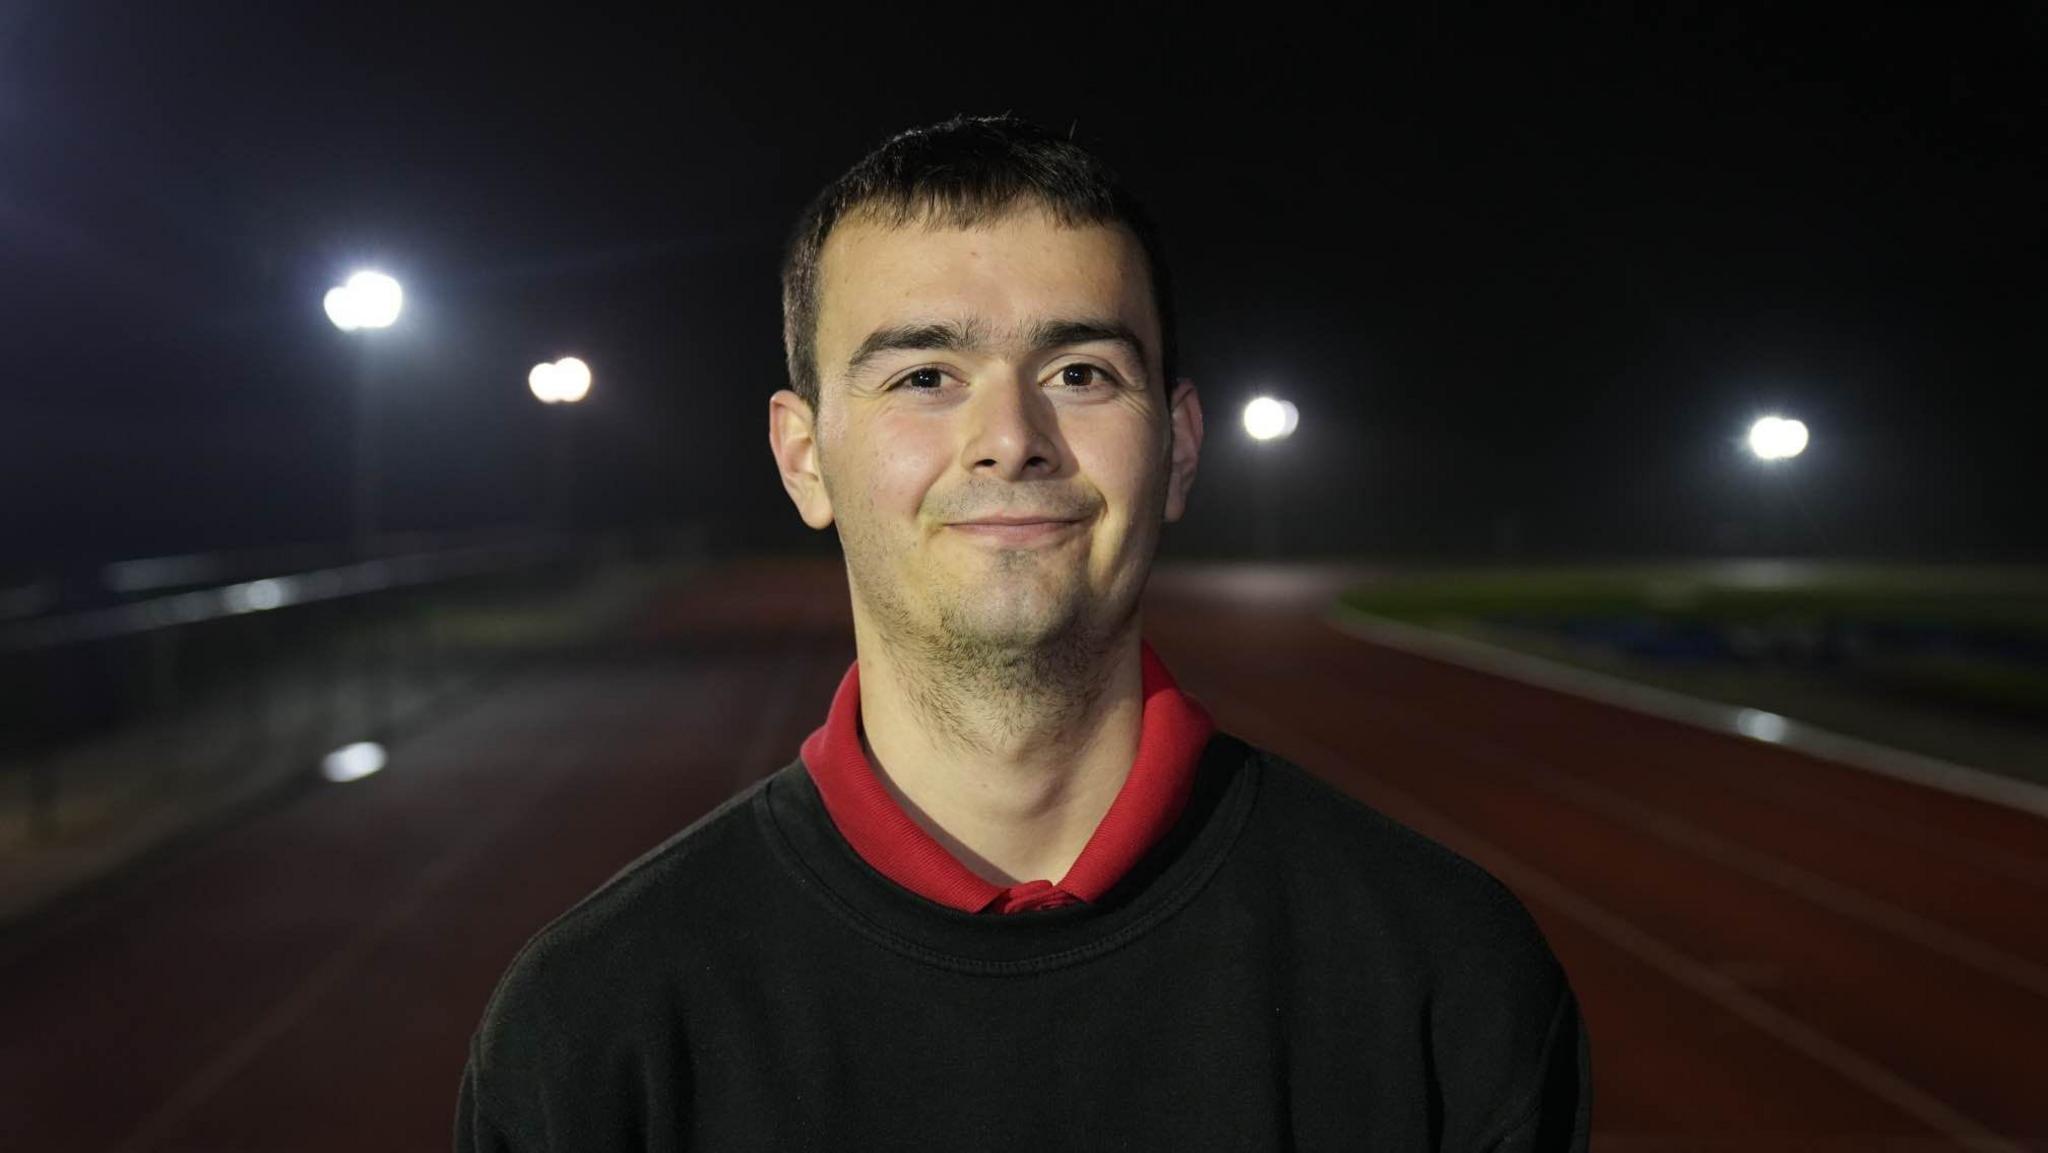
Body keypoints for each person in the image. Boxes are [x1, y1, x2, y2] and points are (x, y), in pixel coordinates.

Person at [456, 114, 1591, 1152]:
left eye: (1079, 370)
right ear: (804, 457)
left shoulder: (1444, 973)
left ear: (1180, 449)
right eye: (923, 374)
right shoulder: (595, 1024)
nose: (1010, 437)